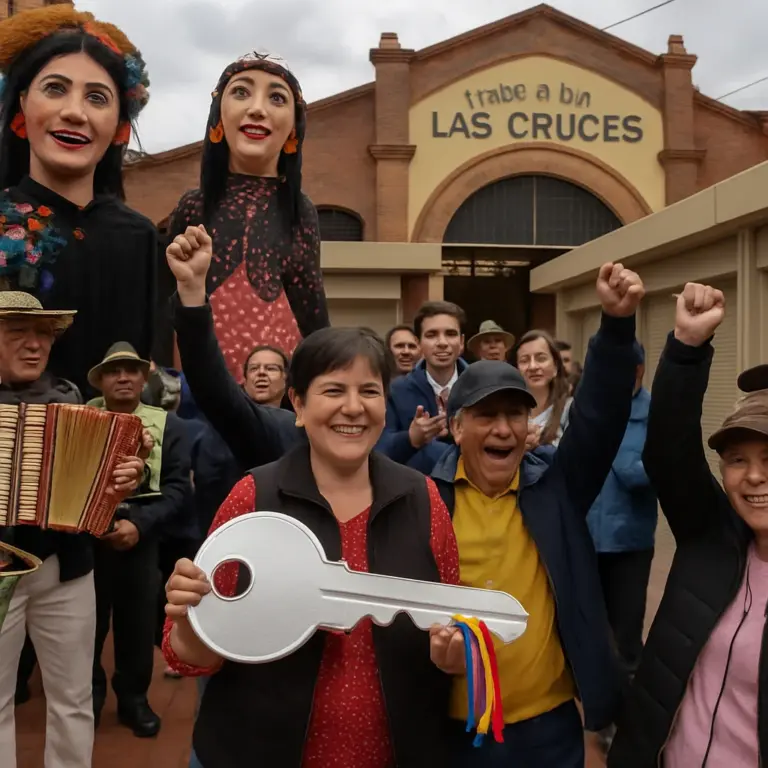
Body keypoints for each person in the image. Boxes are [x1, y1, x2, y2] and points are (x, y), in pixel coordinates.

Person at [163, 326, 463, 768]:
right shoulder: (254, 497)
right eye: (334, 390)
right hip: (261, 749)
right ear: (299, 405)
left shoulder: (423, 498)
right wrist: (189, 617)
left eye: (369, 391)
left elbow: (449, 622)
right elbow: (195, 654)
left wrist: (455, 654)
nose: (354, 407)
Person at [427, 263, 645, 768]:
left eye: (515, 414)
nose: (503, 429)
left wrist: (615, 326)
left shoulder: (556, 487)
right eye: (486, 415)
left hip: (548, 727)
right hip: (450, 730)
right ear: (458, 428)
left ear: (530, 425)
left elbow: (597, 417)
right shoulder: (423, 499)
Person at [608, 283, 768, 767]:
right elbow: (668, 451)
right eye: (737, 459)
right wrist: (686, 348)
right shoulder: (712, 538)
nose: (754, 476)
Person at [0, 292, 145, 768]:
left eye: (42, 333)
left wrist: (128, 474)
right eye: (17, 333)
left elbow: (100, 479)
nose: (34, 344)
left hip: (67, 569)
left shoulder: (68, 395)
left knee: (74, 696)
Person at [0, 6, 156, 399]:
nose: (74, 112)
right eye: (55, 88)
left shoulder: (141, 238)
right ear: (21, 106)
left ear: (120, 126)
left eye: (97, 98)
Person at [159, 50, 328, 381]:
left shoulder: (300, 209)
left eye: (276, 98)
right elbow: (167, 304)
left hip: (280, 390)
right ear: (219, 116)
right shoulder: (193, 206)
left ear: (294, 128)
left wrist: (328, 375)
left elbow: (311, 304)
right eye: (241, 92)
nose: (257, 109)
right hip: (200, 382)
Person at [86, 342, 191, 737]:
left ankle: (133, 700)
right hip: (87, 540)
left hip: (141, 540)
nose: (124, 377)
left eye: (131, 370)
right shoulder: (78, 417)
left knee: (136, 625)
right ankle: (88, 700)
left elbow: (180, 490)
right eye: (114, 371)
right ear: (102, 380)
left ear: (144, 377)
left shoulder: (170, 425)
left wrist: (141, 525)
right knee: (85, 628)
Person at [378, 301, 468, 474]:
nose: (442, 342)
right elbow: (379, 448)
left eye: (450, 334)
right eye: (432, 335)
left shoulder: (481, 387)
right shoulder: (395, 391)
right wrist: (410, 439)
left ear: (461, 342)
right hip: (416, 492)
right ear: (419, 344)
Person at [515, 329, 572, 446]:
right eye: (524, 360)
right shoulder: (509, 412)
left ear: (555, 367)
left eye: (541, 358)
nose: (533, 366)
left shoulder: (570, 410)